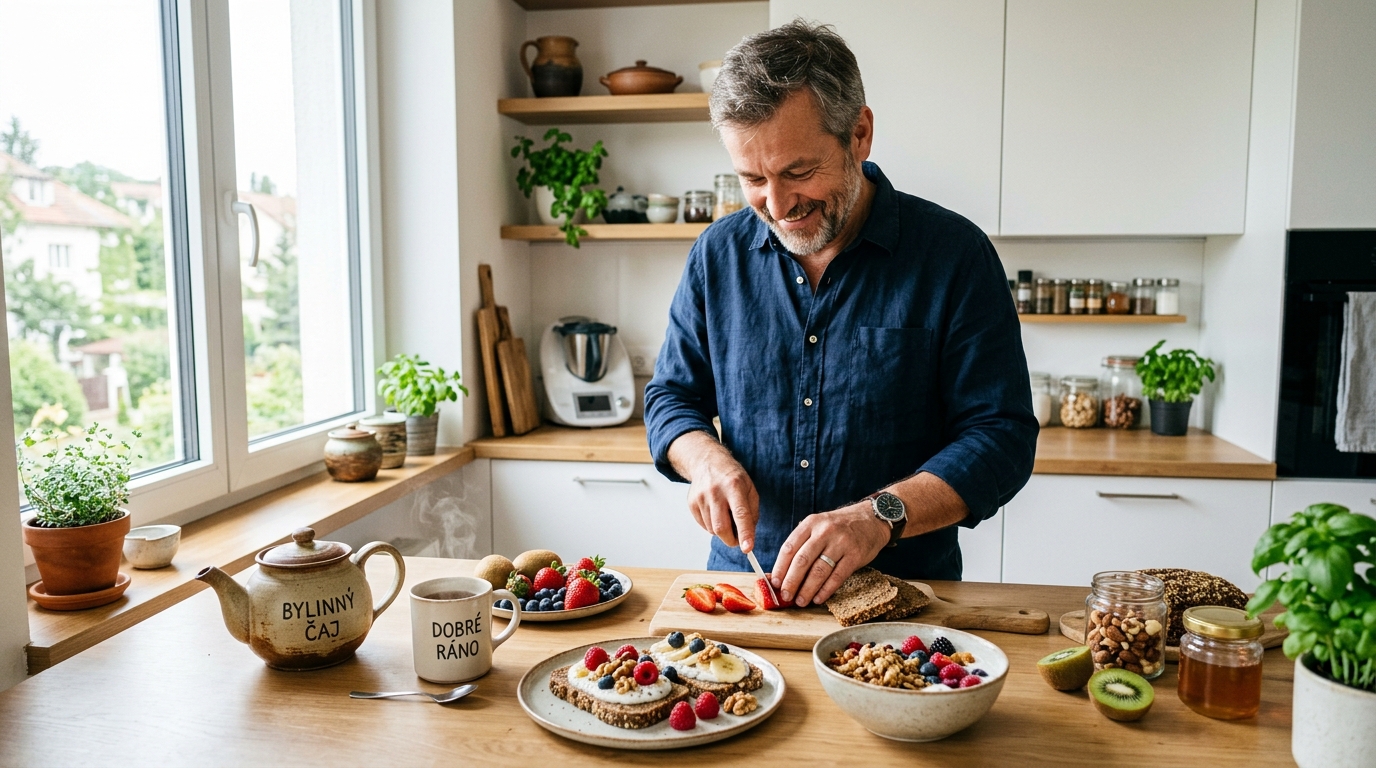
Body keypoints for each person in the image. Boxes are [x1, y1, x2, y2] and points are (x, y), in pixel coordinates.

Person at [644, 20, 1038, 609]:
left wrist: (880, 516)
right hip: (744, 596)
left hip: (901, 603)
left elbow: (1001, 436)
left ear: (859, 133)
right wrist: (704, 459)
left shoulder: (954, 255)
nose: (777, 206)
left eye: (799, 172)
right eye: (753, 178)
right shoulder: (716, 255)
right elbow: (671, 398)